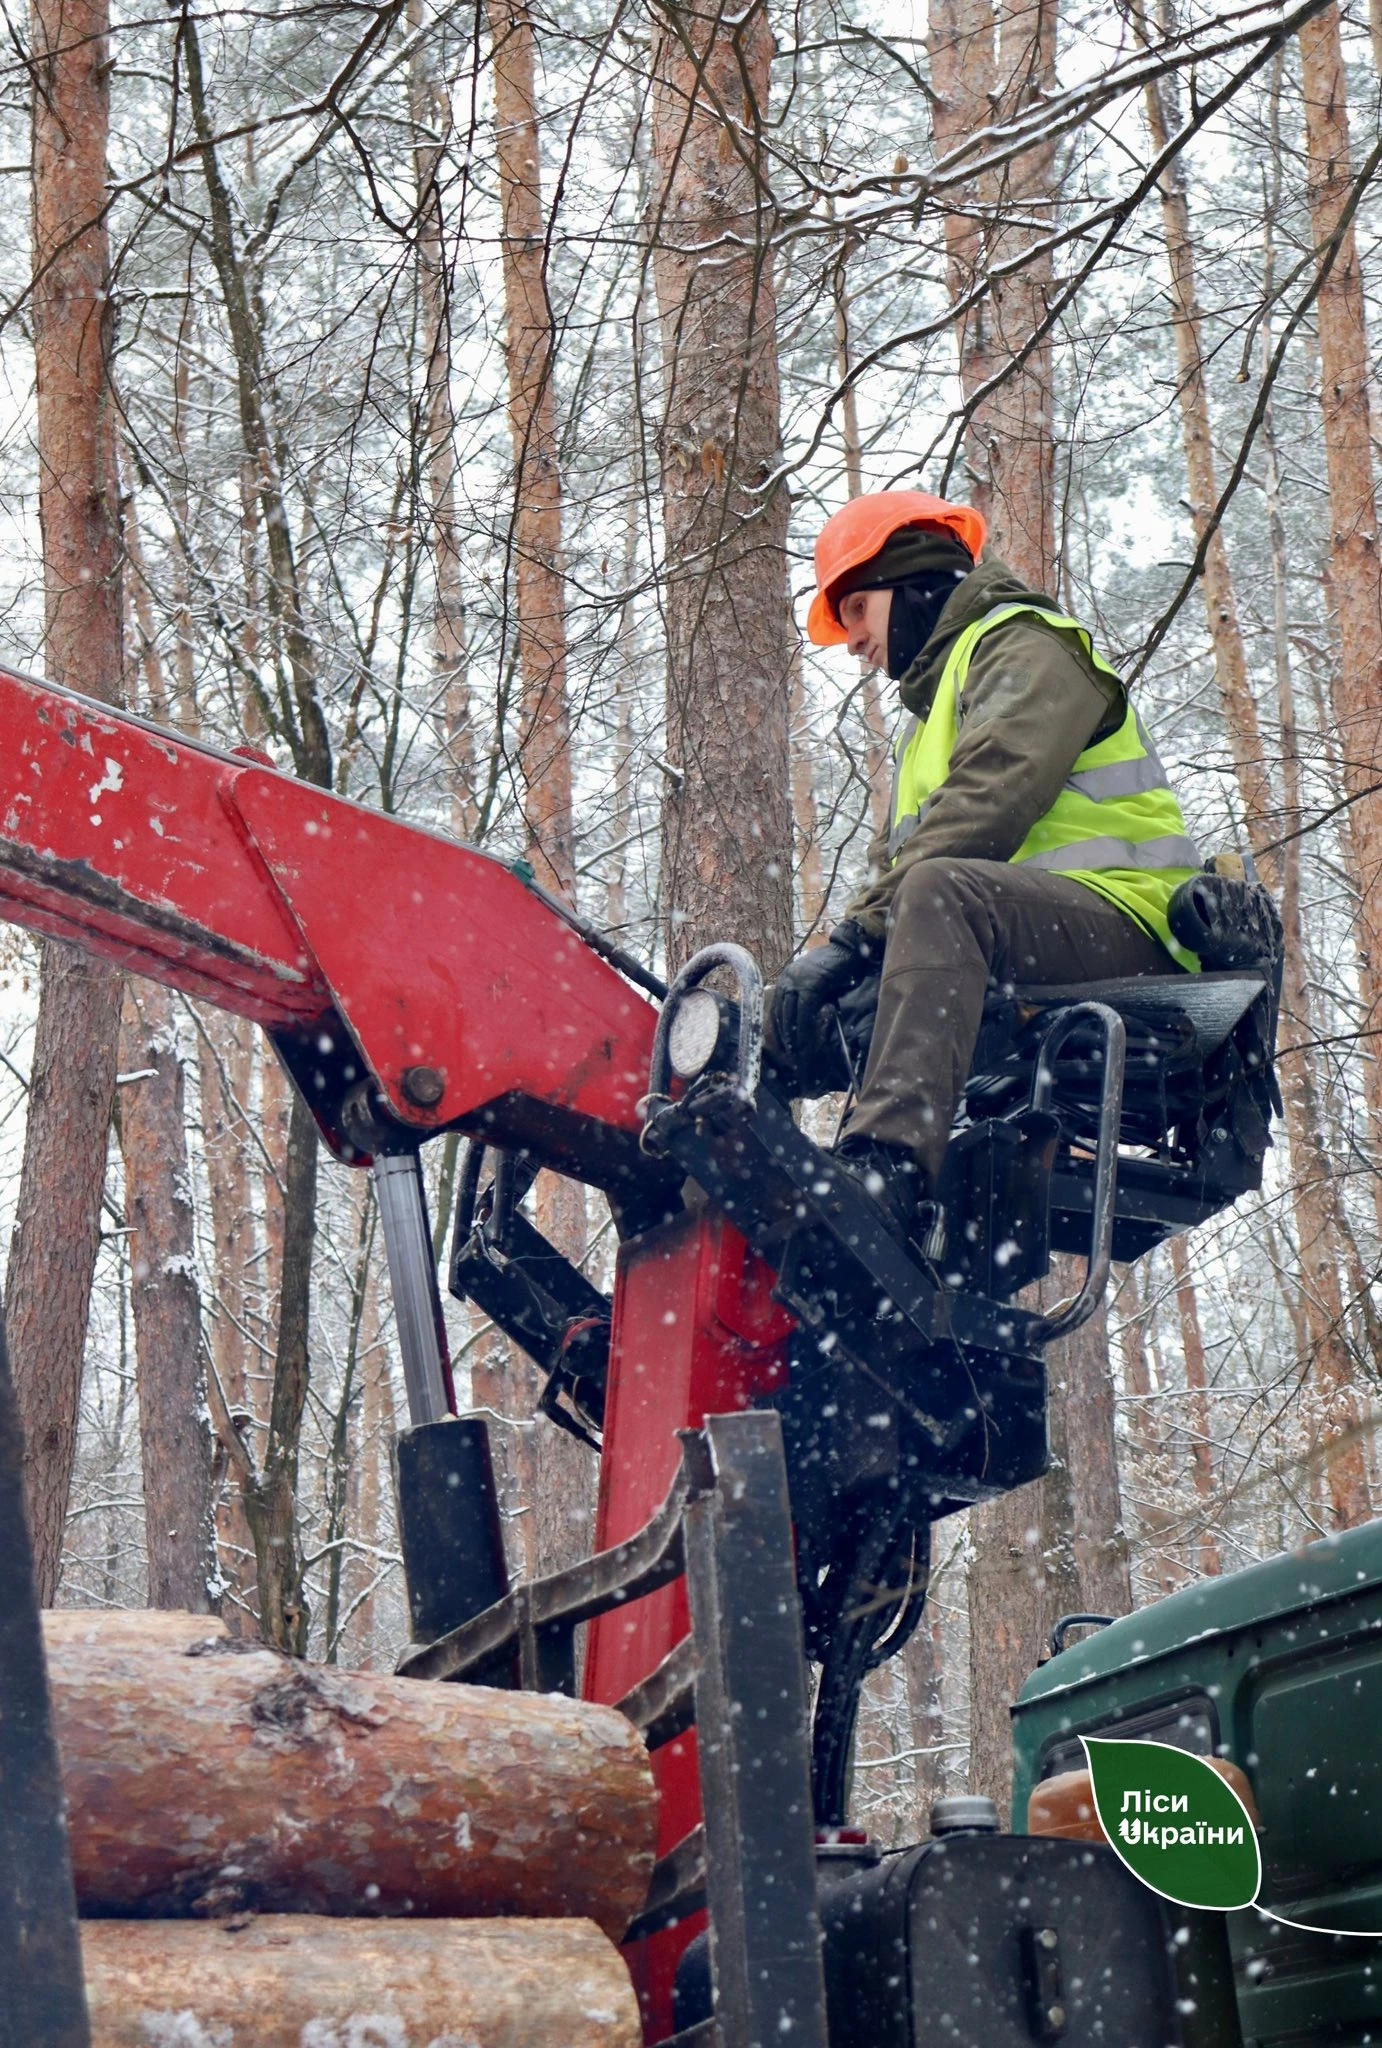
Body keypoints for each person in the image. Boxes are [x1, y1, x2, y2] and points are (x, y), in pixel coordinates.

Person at [768, 489, 1201, 1245]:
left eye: (858, 610)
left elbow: (991, 799)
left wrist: (854, 942)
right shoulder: (931, 723)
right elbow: (902, 877)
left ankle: (887, 1173)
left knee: (939, 895)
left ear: (910, 584)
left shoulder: (1025, 644)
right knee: (826, 1015)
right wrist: (816, 1004)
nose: (851, 642)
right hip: (1014, 938)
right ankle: (756, 1186)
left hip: (1131, 925)